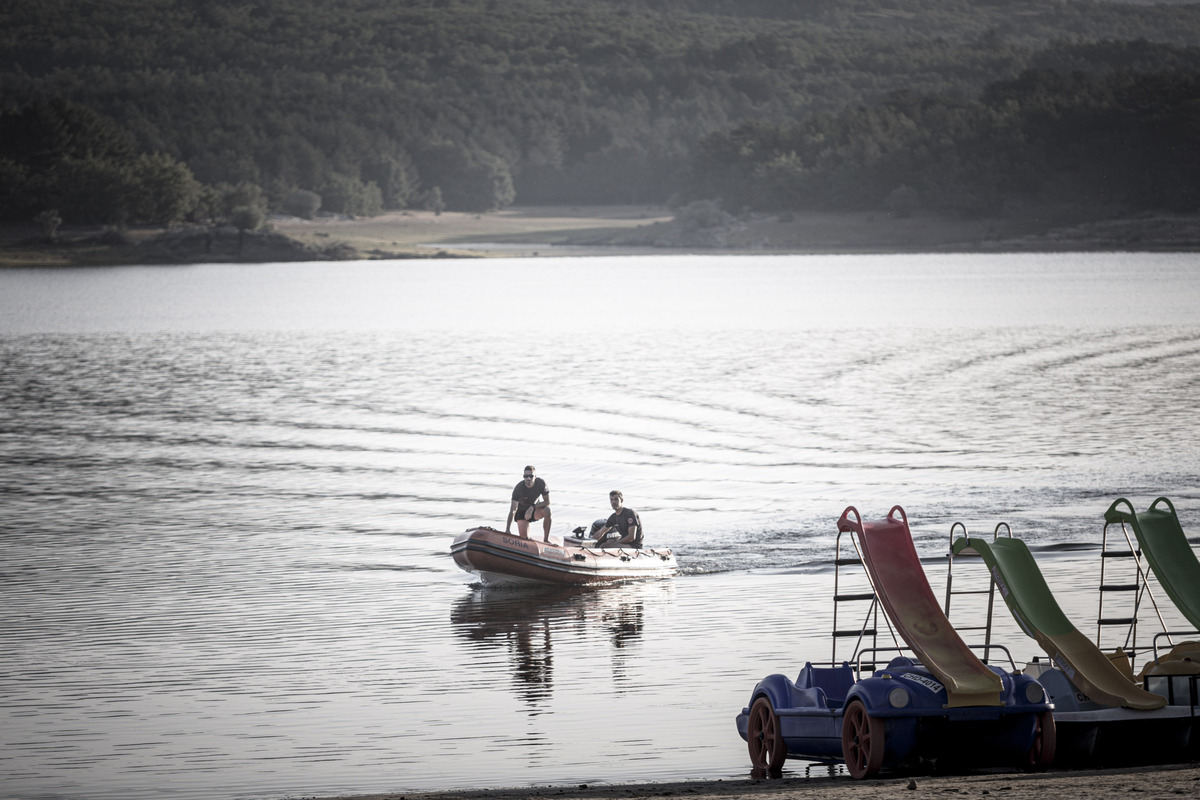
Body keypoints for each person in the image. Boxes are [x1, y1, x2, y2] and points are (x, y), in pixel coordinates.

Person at [505, 465, 552, 541]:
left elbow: (547, 502)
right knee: (524, 539)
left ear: (535, 476)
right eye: (526, 476)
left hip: (534, 509)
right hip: (521, 513)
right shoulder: (518, 488)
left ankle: (546, 539)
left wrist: (532, 507)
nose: (528, 478)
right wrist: (507, 529)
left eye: (531, 476)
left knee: (547, 511)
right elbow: (513, 510)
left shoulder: (541, 483)